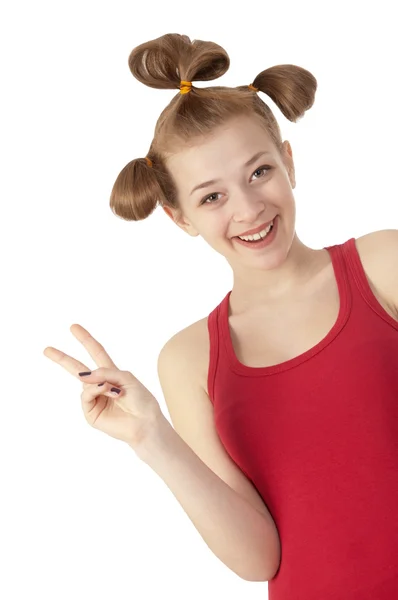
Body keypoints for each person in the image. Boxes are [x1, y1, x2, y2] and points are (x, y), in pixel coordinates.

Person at [44, 33, 398, 599]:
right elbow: (260, 559)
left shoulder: (384, 264)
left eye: (259, 172)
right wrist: (151, 437)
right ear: (179, 217)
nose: (249, 208)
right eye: (211, 197)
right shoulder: (188, 360)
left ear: (288, 160)